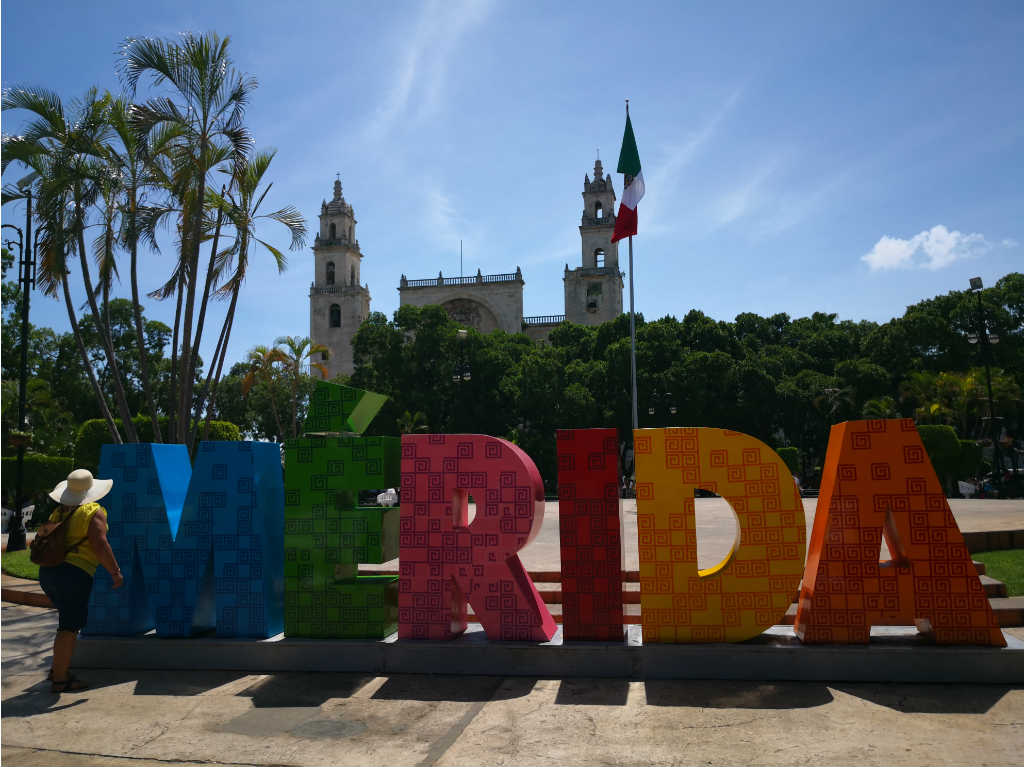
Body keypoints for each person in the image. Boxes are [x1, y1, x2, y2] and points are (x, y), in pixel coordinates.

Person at [38, 469, 123, 693]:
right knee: (69, 628)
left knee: (65, 621)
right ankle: (60, 679)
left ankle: (58, 668)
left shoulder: (59, 512)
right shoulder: (93, 511)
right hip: (74, 575)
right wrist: (115, 571)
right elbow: (99, 544)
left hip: (49, 572)